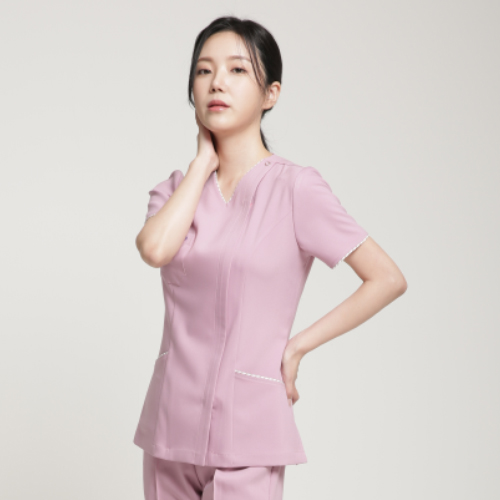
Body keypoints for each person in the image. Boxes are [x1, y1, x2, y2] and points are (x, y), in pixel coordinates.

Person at [133, 15, 407, 500]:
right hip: (170, 427)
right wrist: (202, 164)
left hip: (249, 428)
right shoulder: (174, 191)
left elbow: (386, 278)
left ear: (271, 94)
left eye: (237, 70)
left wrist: (297, 347)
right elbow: (155, 250)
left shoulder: (295, 189)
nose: (217, 82)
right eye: (203, 70)